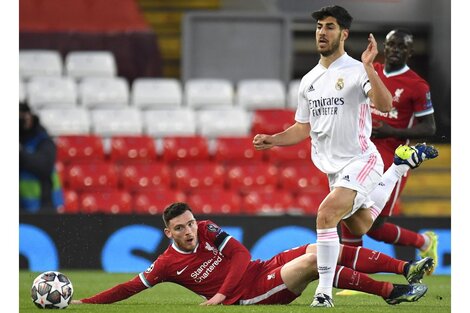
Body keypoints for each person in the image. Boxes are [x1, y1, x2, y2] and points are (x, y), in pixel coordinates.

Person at [252, 5, 438, 307]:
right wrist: (274, 140)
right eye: (319, 27)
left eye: (329, 27)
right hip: (334, 169)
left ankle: (323, 293)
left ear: (343, 33)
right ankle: (399, 168)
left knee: (325, 215)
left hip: (361, 160)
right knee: (361, 226)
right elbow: (303, 127)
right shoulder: (309, 80)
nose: (322, 32)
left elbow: (385, 102)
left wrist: (368, 67)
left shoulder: (356, 70)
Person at [71, 202, 432, 307]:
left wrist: (218, 294)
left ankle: (406, 268)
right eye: (179, 228)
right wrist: (86, 302)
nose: (188, 230)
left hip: (257, 270)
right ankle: (391, 293)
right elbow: (131, 287)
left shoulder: (209, 229)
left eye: (190, 223)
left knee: (321, 247)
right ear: (169, 233)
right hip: (250, 295)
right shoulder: (167, 264)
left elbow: (242, 256)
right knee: (312, 263)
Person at [339, 28, 438, 272]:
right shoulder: (373, 72)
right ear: (385, 47)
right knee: (347, 210)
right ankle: (355, 275)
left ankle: (424, 242)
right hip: (360, 153)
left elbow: (430, 127)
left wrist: (390, 132)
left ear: (410, 52)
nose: (395, 50)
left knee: (373, 225)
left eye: (401, 46)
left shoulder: (417, 85)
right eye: (392, 45)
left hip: (392, 160)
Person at [19, 101, 64, 213]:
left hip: (44, 206)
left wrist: (20, 152)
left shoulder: (43, 140)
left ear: (29, 116)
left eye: (21, 116)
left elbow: (44, 166)